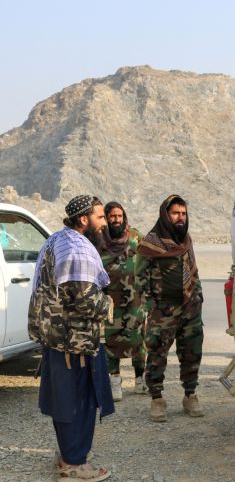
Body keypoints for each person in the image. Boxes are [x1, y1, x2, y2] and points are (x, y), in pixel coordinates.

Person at [28, 195, 114, 481]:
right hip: (74, 342)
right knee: (78, 402)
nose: (103, 223)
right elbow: (86, 300)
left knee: (64, 400)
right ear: (83, 219)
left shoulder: (59, 240)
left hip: (59, 339)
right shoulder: (76, 249)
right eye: (99, 217)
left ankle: (67, 456)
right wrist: (109, 304)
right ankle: (75, 464)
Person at [137, 195, 204, 422]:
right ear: (166, 215)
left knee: (191, 352)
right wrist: (150, 307)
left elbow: (193, 270)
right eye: (176, 213)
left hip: (190, 307)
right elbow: (140, 278)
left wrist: (199, 295)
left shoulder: (186, 241)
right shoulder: (150, 244)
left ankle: (190, 394)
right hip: (163, 309)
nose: (180, 218)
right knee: (156, 353)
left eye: (183, 214)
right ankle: (157, 398)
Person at [98, 201, 149, 401]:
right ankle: (115, 382)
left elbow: (150, 259)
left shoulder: (136, 237)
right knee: (112, 340)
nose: (116, 220)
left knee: (138, 339)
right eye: (112, 216)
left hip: (135, 300)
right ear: (107, 217)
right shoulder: (99, 241)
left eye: (119, 216)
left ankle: (139, 380)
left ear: (124, 217)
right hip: (111, 301)